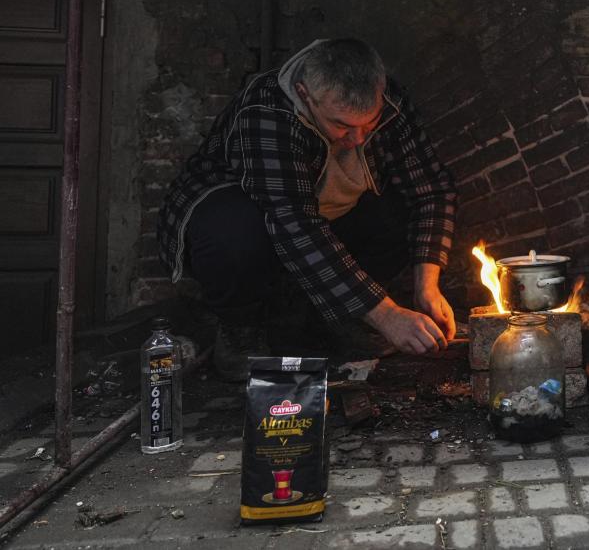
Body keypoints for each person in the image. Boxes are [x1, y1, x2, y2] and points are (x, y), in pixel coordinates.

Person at [158, 38, 458, 380]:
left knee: (395, 211)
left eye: (369, 123)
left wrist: (427, 284)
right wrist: (386, 313)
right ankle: (239, 329)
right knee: (233, 232)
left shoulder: (388, 100)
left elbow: (432, 190)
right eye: (341, 125)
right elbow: (296, 225)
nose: (358, 138)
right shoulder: (265, 112)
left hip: (328, 218)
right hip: (254, 222)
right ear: (304, 94)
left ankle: (337, 319)